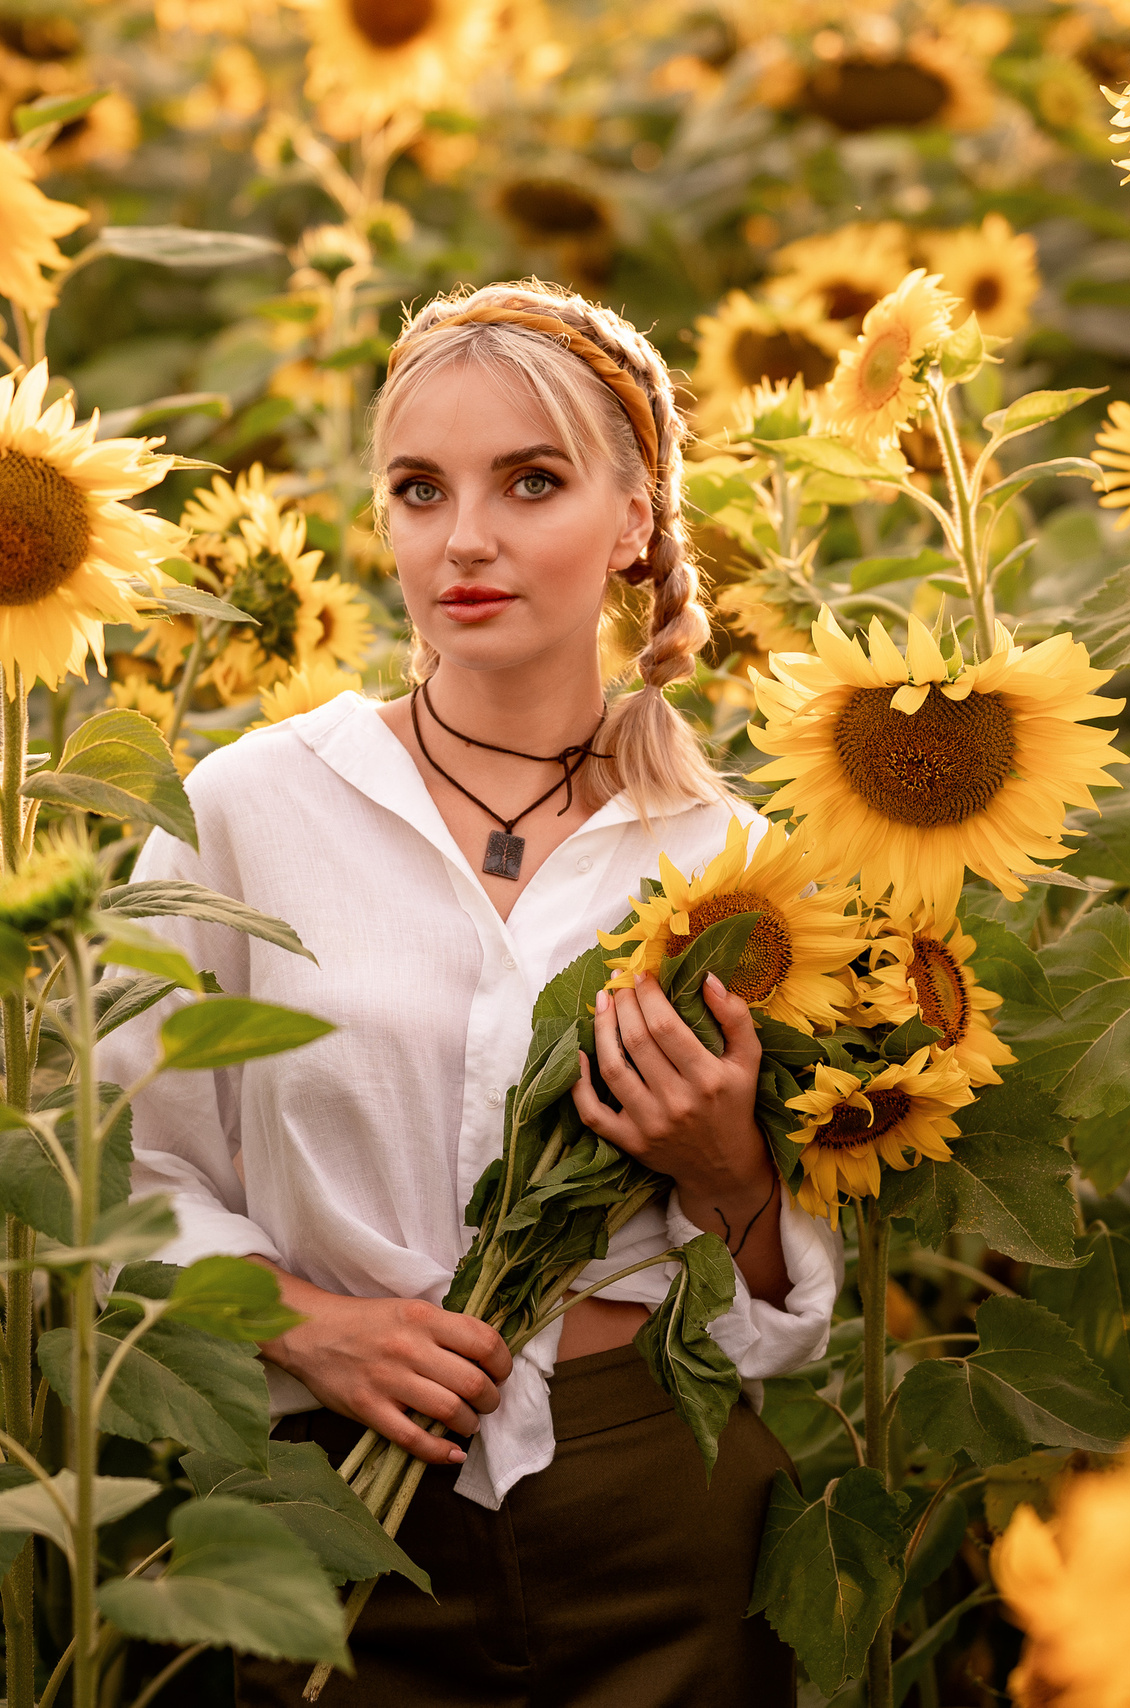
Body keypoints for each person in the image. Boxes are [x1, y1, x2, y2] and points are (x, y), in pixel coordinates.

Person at [95, 279, 845, 1706]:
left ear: (633, 522)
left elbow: (776, 1319)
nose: (466, 540)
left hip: (658, 1495)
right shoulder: (250, 808)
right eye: (420, 490)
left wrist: (727, 1168)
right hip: (328, 1506)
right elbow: (123, 1166)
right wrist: (297, 1320)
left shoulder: (733, 863)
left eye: (532, 482)